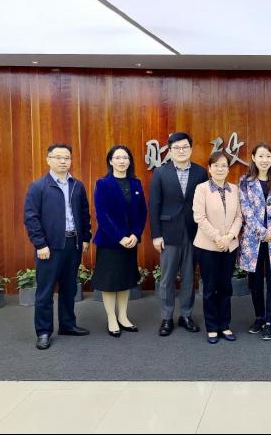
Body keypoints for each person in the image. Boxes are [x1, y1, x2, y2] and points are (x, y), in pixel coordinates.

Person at [23, 143, 92, 350]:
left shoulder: (77, 185)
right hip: (49, 247)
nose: (63, 161)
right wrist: (40, 244)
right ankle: (43, 332)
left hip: (73, 244)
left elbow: (84, 214)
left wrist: (85, 237)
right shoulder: (38, 187)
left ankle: (67, 325)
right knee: (45, 291)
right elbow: (31, 218)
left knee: (69, 288)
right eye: (58, 157)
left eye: (67, 158)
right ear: (48, 160)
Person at [149, 132, 208, 336]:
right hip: (168, 233)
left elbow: (204, 203)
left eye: (185, 147)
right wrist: (156, 235)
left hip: (193, 231)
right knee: (167, 278)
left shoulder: (200, 172)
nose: (181, 151)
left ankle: (186, 315)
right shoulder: (160, 172)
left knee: (189, 277)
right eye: (176, 148)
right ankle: (167, 317)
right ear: (170, 150)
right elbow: (154, 205)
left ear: (191, 148)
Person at [91, 145, 147, 337]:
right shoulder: (103, 184)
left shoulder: (136, 184)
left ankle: (123, 316)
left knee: (125, 280)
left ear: (130, 161)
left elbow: (142, 212)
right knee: (109, 282)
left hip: (130, 241)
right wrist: (119, 237)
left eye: (125, 158)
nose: (122, 161)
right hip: (110, 242)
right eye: (118, 157)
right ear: (110, 161)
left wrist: (135, 235)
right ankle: (111, 319)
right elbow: (102, 215)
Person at [238, 142, 271, 341]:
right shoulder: (245, 181)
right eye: (260, 156)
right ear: (253, 157)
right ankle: (259, 317)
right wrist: (262, 232)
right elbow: (246, 211)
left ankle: (270, 321)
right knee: (255, 281)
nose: (264, 160)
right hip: (254, 239)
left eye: (268, 156)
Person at [192, 151, 243, 344]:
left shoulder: (234, 189)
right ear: (210, 169)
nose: (220, 169)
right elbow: (199, 217)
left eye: (224, 165)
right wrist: (217, 238)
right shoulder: (202, 189)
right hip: (207, 247)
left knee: (225, 287)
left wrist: (229, 237)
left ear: (228, 169)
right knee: (210, 288)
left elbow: (239, 217)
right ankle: (212, 327)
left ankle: (225, 325)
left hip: (229, 246)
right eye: (216, 165)